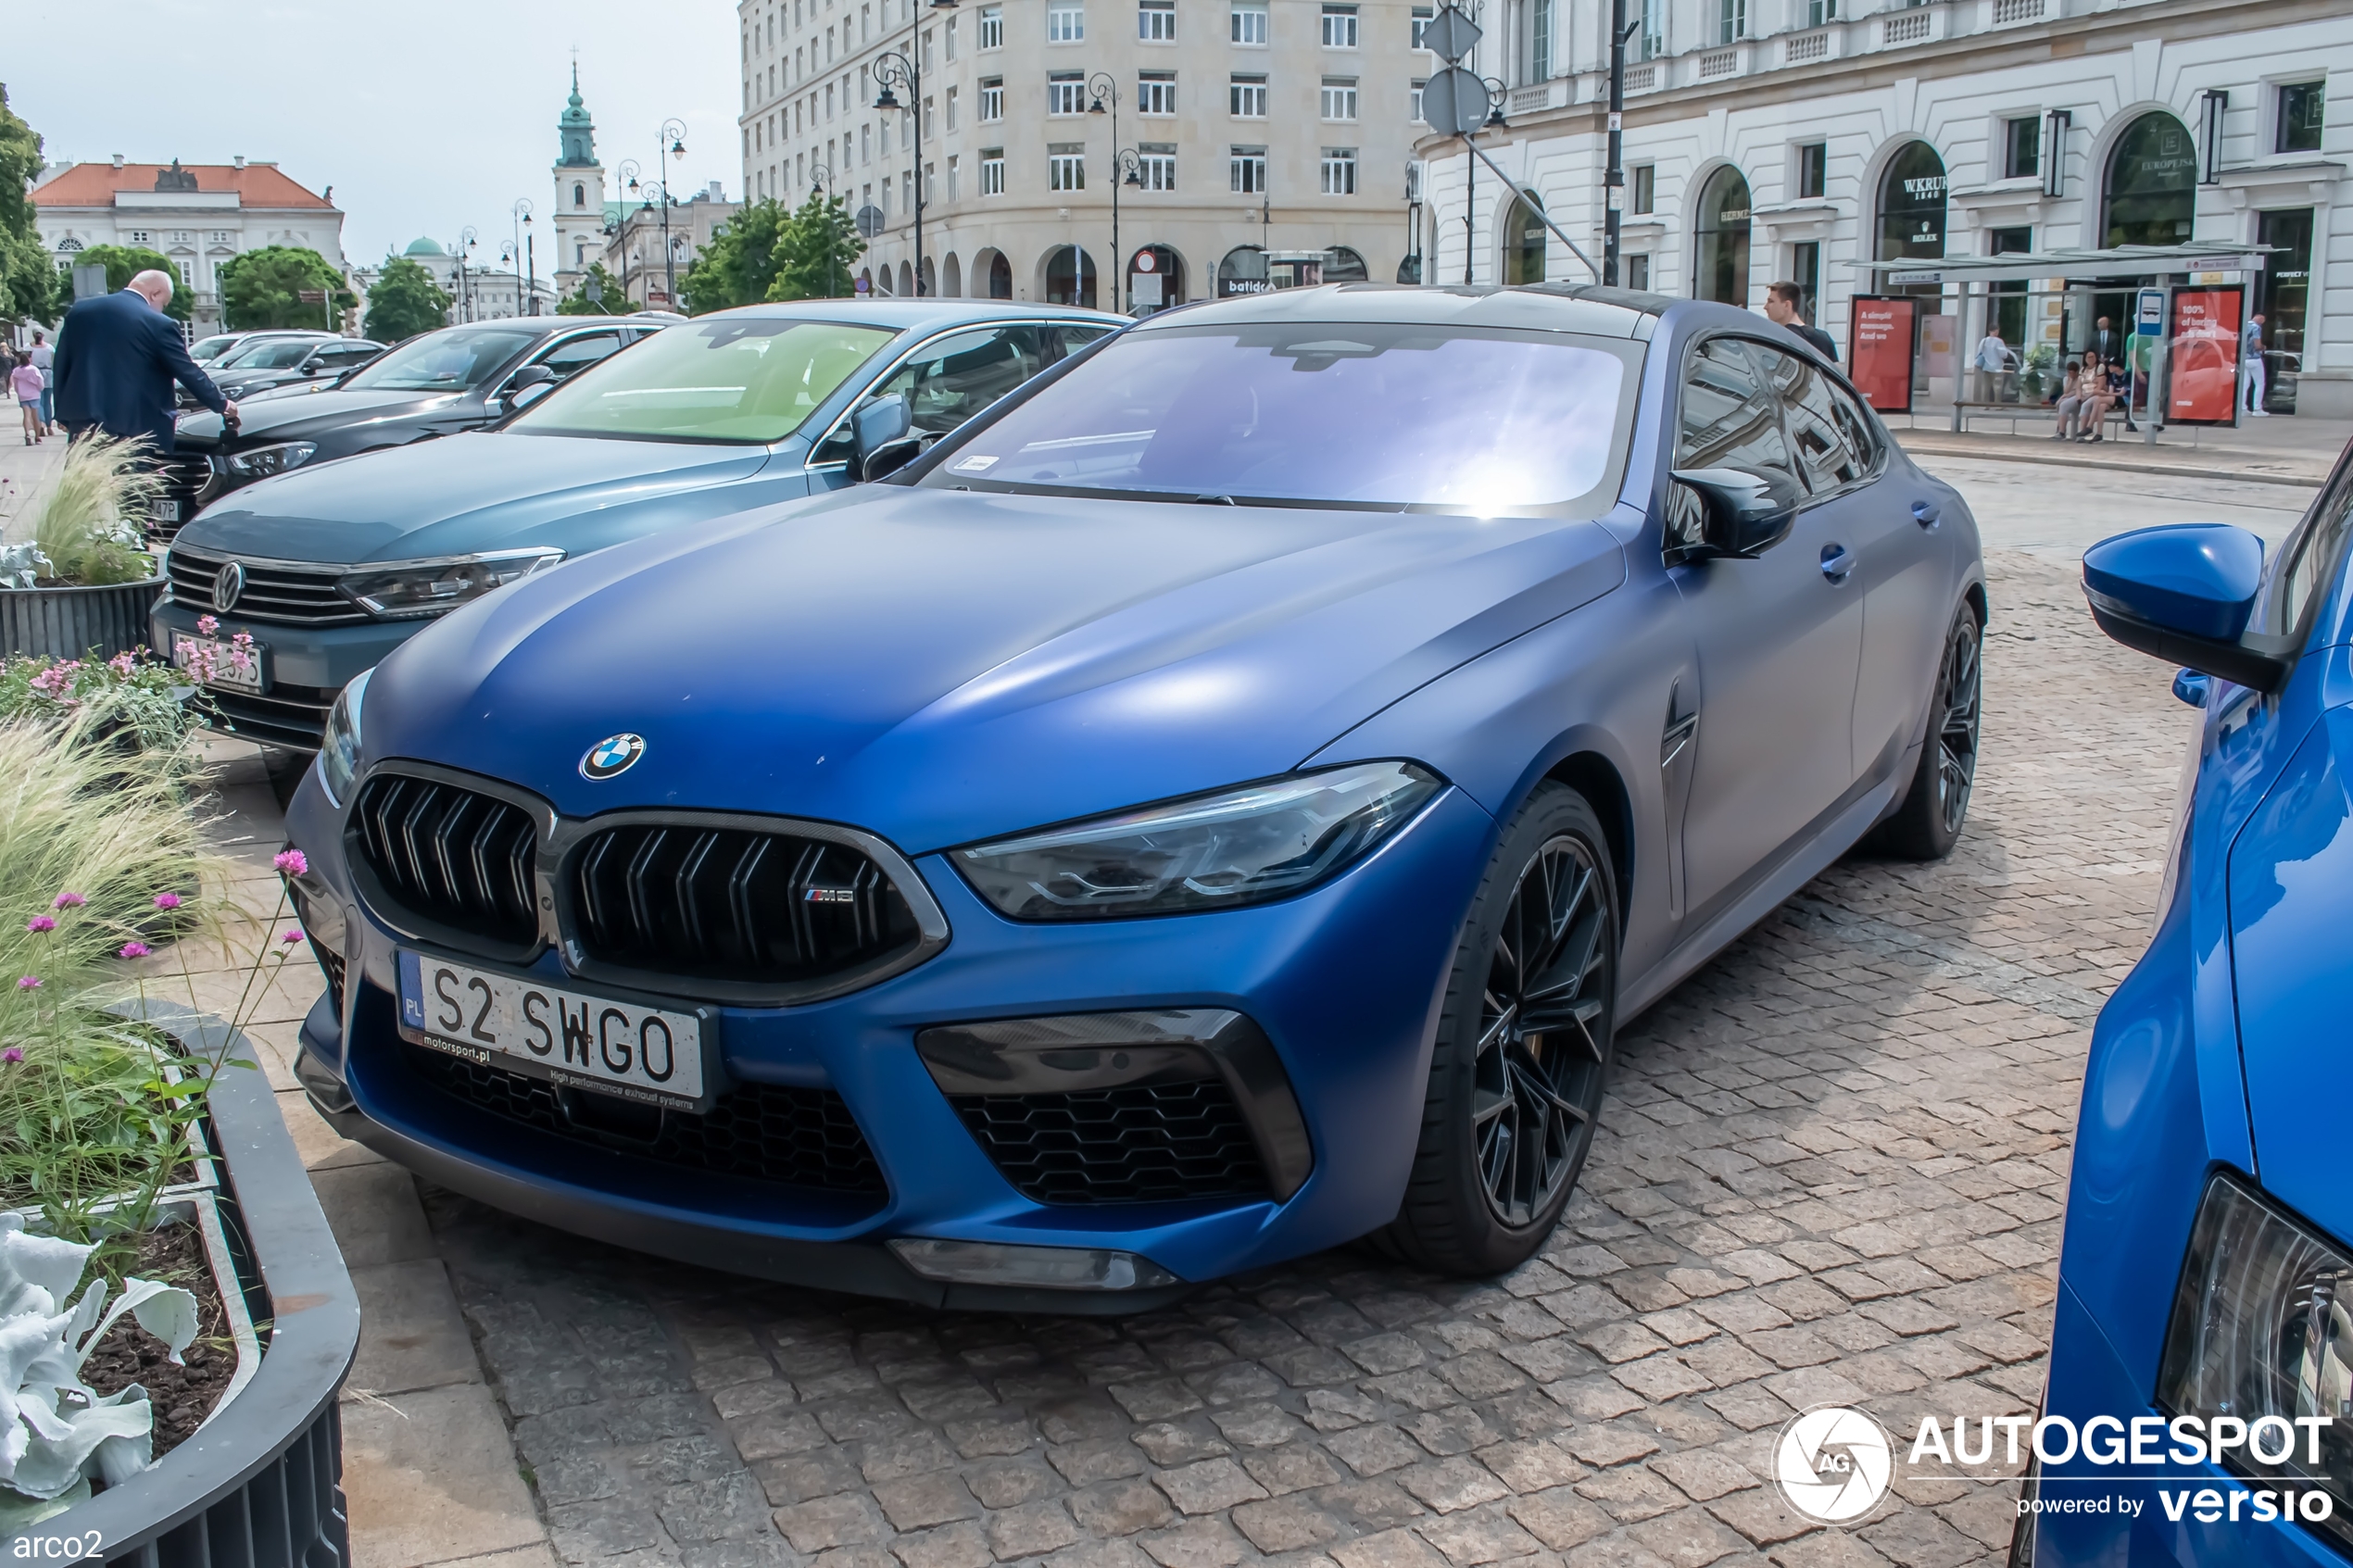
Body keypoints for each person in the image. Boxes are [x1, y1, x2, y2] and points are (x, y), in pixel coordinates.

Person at [52, 270, 236, 453]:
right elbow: (186, 370)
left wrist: (62, 413)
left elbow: (62, 364)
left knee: (84, 480)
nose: (161, 309)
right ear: (155, 293)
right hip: (134, 426)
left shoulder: (80, 312)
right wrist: (222, 404)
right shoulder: (158, 323)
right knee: (129, 480)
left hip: (82, 422)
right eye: (163, 304)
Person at [1760, 282, 1838, 361]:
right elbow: (1834, 371)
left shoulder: (1778, 338)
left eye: (1771, 301)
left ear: (1787, 305)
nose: (1765, 307)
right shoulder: (1824, 338)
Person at [1971, 326, 2013, 403]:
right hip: (1997, 368)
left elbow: (1979, 353)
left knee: (1986, 387)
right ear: (1996, 331)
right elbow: (2003, 355)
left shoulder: (1983, 341)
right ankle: (1997, 404)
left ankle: (1985, 404)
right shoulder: (1999, 341)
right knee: (1997, 387)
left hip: (1986, 367)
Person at [26, 331, 56, 435]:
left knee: (38, 402)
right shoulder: (50, 348)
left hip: (33, 374)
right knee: (47, 402)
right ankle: (49, 426)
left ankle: (41, 423)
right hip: (48, 374)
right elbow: (54, 362)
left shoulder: (28, 347)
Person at [2051, 358, 2086, 441]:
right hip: (2069, 397)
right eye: (2069, 372)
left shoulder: (2081, 379)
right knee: (2059, 403)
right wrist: (2070, 380)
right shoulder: (2066, 379)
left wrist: (2066, 395)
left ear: (2077, 372)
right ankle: (2060, 428)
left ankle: (2062, 432)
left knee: (2063, 405)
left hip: (2078, 397)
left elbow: (2078, 391)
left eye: (2072, 373)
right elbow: (2066, 391)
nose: (2071, 374)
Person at [10, 355, 42, 445]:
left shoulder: (16, 371)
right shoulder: (33, 369)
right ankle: (37, 437)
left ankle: (27, 434)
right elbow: (40, 381)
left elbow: (15, 384)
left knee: (26, 415)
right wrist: (39, 389)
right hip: (34, 394)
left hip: (23, 395)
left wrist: (18, 392)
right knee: (35, 416)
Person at [2243, 311, 2269, 418]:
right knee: (2260, 383)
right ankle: (2257, 408)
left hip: (2244, 358)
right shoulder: (2256, 327)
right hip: (2254, 358)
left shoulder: (2244, 325)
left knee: (2244, 385)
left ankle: (2242, 409)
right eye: (2262, 321)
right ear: (2261, 318)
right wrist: (2263, 347)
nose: (2262, 323)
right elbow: (2257, 345)